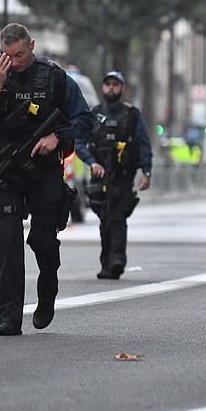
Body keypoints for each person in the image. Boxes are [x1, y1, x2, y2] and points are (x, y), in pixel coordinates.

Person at [0, 23, 92, 335]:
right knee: (7, 241)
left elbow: (85, 120)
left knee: (43, 241)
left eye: (20, 54)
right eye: (8, 55)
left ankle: (48, 287)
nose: (14, 61)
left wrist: (58, 137)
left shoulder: (55, 78)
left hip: (44, 170)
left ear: (32, 45)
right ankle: (9, 316)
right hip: (6, 172)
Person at [75, 70, 152, 280]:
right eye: (108, 84)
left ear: (122, 87)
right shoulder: (94, 115)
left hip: (122, 175)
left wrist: (146, 171)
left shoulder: (132, 115)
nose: (111, 88)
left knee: (117, 216)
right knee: (104, 217)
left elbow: (144, 144)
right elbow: (79, 142)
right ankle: (106, 262)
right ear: (103, 87)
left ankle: (117, 260)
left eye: (115, 84)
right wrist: (92, 162)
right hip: (100, 176)